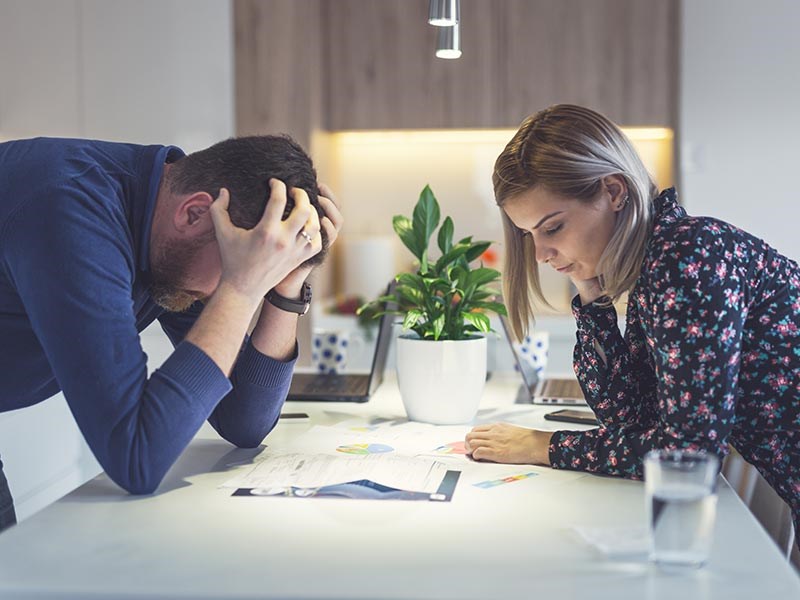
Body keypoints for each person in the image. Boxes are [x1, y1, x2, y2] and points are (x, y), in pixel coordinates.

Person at [465, 104, 800, 533]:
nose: (541, 255)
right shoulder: (656, 263)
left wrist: (544, 446)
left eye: (552, 228)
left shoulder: (687, 257)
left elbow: (687, 456)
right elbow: (631, 419)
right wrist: (591, 294)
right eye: (529, 234)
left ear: (614, 191)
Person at [0, 135, 343, 532]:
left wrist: (286, 285)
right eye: (239, 266)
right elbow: (136, 458)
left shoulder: (174, 226)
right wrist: (240, 286)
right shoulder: (71, 212)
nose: (222, 294)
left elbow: (243, 422)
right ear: (194, 213)